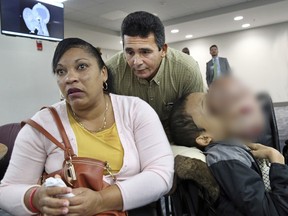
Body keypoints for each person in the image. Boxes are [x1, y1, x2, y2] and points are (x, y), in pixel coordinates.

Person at [0, 38, 174, 216]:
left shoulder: (135, 110)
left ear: (103, 73)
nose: (70, 78)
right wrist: (36, 198)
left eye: (81, 66)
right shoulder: (43, 124)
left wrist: (100, 201)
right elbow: (6, 190)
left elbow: (161, 175)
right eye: (61, 71)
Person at [169, 77, 288, 215]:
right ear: (205, 138)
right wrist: (277, 160)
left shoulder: (234, 147)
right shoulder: (226, 161)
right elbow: (276, 211)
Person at [106, 11, 204, 136]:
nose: (136, 62)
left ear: (163, 50)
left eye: (145, 52)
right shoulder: (111, 71)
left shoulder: (187, 70)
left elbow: (197, 120)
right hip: (131, 136)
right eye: (130, 52)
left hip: (176, 137)